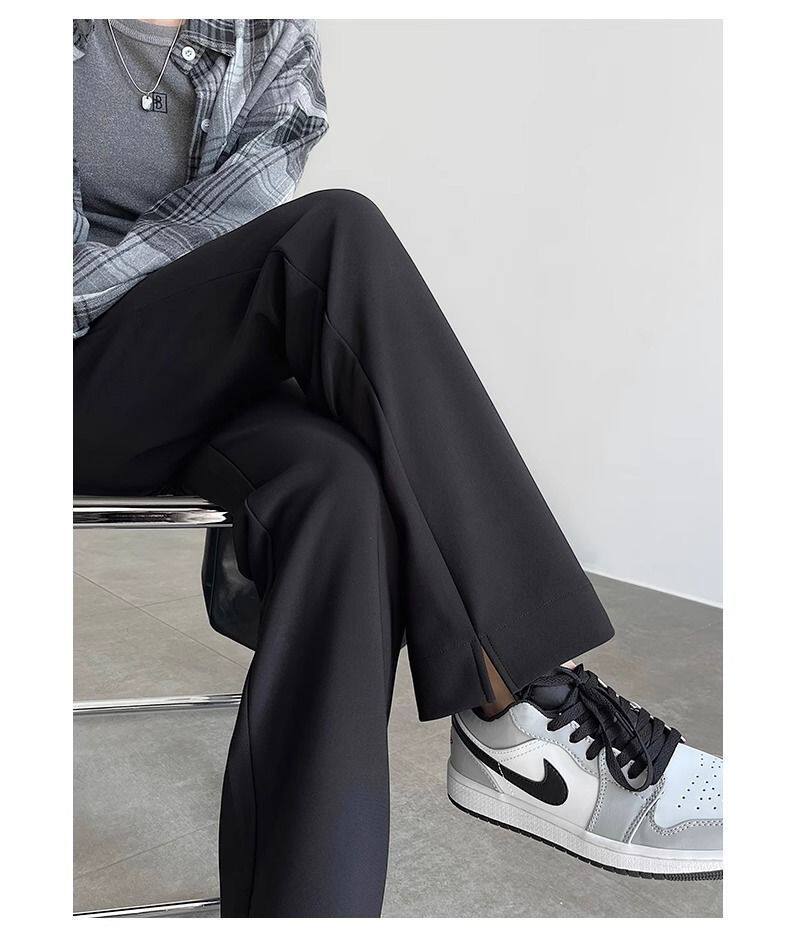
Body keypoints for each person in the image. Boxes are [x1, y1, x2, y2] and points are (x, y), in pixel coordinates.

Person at [73, 18, 723, 918]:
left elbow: (242, 251)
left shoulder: (268, 38)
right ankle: (520, 695)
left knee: (340, 490)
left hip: (196, 377)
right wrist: (222, 284)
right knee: (333, 233)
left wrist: (221, 290)